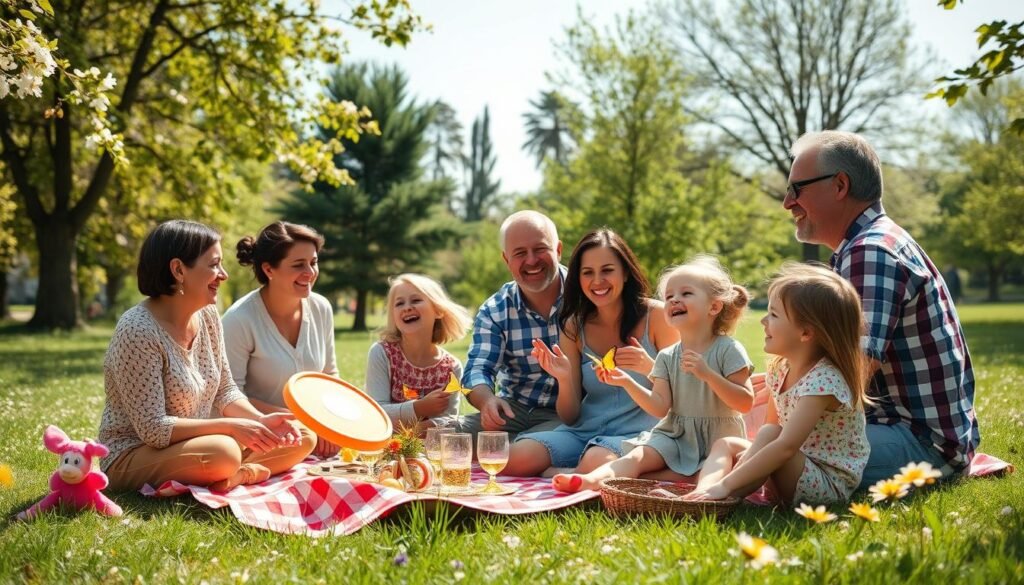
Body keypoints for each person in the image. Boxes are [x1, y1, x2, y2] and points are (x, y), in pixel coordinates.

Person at [785, 130, 977, 487]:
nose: (787, 202)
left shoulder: (869, 251)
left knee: (764, 446)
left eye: (797, 189)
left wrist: (782, 405)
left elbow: (854, 367)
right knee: (757, 430)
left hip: (919, 443)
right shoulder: (863, 244)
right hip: (905, 431)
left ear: (840, 185)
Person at [99, 220, 315, 492]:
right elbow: (153, 430)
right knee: (223, 452)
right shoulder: (137, 330)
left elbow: (225, 390)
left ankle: (239, 475)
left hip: (194, 446)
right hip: (132, 455)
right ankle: (234, 470)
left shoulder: (208, 316)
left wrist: (259, 421)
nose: (223, 274)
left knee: (301, 436)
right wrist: (231, 427)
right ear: (178, 270)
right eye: (213, 265)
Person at [553, 255, 754, 492]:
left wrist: (708, 374)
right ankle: (589, 481)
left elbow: (745, 402)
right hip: (675, 436)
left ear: (714, 306)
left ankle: (666, 482)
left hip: (716, 440)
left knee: (705, 473)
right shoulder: (668, 355)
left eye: (686, 294)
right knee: (637, 457)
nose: (674, 300)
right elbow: (659, 406)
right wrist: (627, 382)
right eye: (669, 296)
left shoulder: (728, 349)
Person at [685, 263, 869, 504]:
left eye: (773, 314)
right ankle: (705, 493)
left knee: (774, 436)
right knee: (727, 444)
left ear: (805, 333)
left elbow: (784, 447)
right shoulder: (781, 368)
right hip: (791, 463)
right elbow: (769, 428)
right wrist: (741, 468)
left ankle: (721, 493)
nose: (763, 321)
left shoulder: (824, 381)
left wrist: (731, 481)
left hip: (823, 483)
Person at [503, 229, 677, 476]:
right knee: (514, 458)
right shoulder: (574, 326)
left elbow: (683, 395)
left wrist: (650, 368)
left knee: (595, 460)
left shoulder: (658, 317)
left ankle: (569, 473)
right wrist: (564, 379)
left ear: (625, 272)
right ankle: (583, 473)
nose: (597, 281)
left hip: (641, 434)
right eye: (588, 273)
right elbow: (571, 416)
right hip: (586, 430)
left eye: (607, 270)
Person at [222, 221, 339, 458]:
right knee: (305, 441)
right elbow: (228, 395)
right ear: (269, 270)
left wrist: (328, 422)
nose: (310, 272)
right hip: (257, 430)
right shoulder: (239, 319)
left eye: (313, 262)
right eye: (298, 265)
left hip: (311, 428)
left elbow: (330, 376)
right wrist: (302, 421)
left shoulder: (321, 307)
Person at [459, 211, 567, 438]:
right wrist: (488, 401)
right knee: (442, 434)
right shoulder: (495, 310)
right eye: (519, 253)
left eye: (540, 249)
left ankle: (524, 448)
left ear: (558, 250)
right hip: (513, 411)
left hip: (571, 416)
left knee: (528, 447)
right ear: (507, 260)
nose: (531, 260)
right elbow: (478, 369)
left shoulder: (584, 295)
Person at [364, 273, 472, 430]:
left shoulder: (451, 367)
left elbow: (450, 421)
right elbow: (375, 413)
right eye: (399, 303)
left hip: (432, 451)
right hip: (386, 449)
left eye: (416, 300)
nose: (407, 307)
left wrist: (421, 429)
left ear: (438, 311)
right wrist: (419, 408)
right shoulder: (382, 354)